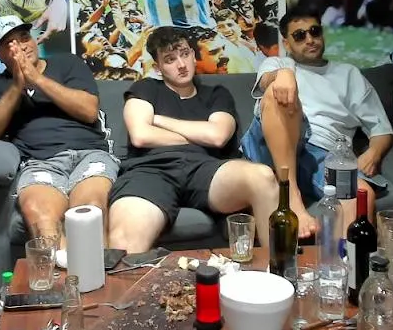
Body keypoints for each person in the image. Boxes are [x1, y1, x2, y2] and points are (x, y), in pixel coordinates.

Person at [106, 27, 278, 254]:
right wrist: (198, 136)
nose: (181, 64)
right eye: (170, 59)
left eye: (185, 54)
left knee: (263, 177)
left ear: (193, 55)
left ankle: (279, 269)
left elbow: (217, 136)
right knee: (124, 243)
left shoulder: (216, 94)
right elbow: (141, 135)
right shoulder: (146, 88)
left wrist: (157, 119)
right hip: (151, 170)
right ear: (157, 68)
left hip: (205, 169)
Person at [240, 8, 393, 237]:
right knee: (276, 92)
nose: (310, 39)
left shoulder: (348, 74)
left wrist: (374, 153)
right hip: (270, 148)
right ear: (287, 43)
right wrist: (284, 74)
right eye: (299, 35)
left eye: (314, 31)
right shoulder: (277, 63)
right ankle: (291, 195)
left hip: (323, 153)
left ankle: (345, 260)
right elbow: (265, 82)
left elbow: (381, 128)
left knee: (360, 195)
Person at [0, 15, 118, 246]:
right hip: (39, 163)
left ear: (33, 40)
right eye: (10, 44)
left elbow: (89, 111)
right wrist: (17, 86)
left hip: (89, 154)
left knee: (89, 210)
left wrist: (37, 80)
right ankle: (62, 270)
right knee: (41, 218)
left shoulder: (67, 63)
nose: (21, 46)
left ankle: (93, 270)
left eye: (24, 38)